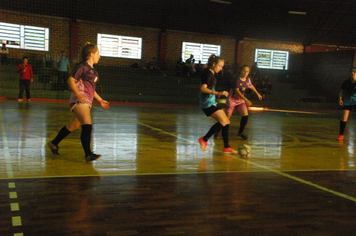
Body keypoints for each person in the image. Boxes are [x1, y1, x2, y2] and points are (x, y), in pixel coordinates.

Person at [47, 42, 110, 162]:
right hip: (80, 100)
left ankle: (54, 143)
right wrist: (78, 94)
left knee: (72, 126)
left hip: (87, 100)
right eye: (98, 53)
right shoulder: (83, 66)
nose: (99, 56)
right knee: (87, 125)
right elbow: (70, 80)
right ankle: (88, 154)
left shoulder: (92, 70)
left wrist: (100, 100)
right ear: (91, 54)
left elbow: (91, 89)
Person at [198, 54, 237, 154]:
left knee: (226, 122)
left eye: (222, 67)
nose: (221, 68)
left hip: (211, 102)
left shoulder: (211, 73)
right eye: (219, 66)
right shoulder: (208, 73)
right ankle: (204, 139)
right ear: (214, 64)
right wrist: (218, 93)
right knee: (224, 121)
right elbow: (203, 89)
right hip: (207, 103)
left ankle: (226, 146)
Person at [225, 65, 263, 140]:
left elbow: (251, 86)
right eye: (244, 71)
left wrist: (258, 94)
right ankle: (217, 131)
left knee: (245, 116)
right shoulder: (237, 79)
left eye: (247, 71)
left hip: (240, 100)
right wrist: (246, 99)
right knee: (226, 119)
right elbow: (237, 91)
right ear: (240, 71)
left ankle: (240, 132)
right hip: (232, 100)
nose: (245, 73)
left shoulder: (248, 79)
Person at [336, 67, 356, 141]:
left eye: (354, 72)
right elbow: (341, 91)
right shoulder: (346, 82)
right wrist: (340, 99)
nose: (352, 73)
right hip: (348, 101)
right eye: (351, 72)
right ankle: (341, 135)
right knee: (344, 118)